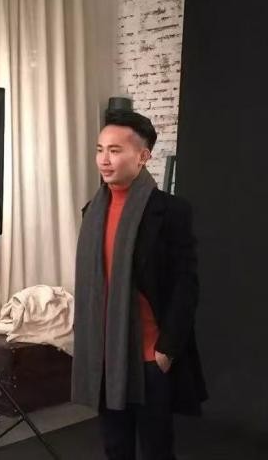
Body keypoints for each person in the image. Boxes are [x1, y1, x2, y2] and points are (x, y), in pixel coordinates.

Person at [71, 110, 207, 460]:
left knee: (156, 448)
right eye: (100, 149)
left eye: (115, 150)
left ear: (143, 156)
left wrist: (167, 350)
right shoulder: (92, 211)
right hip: (106, 354)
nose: (104, 159)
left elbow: (186, 285)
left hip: (150, 355)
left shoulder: (171, 211)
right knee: (115, 446)